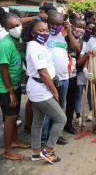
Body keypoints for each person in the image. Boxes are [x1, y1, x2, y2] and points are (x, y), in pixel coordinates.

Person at [24, 19, 66, 164]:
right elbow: (43, 73)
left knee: (37, 122)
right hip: (41, 90)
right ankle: (48, 151)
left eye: (46, 30)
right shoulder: (36, 47)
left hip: (38, 88)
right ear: (32, 32)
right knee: (61, 119)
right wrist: (54, 91)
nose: (45, 33)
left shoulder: (37, 45)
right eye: (40, 30)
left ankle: (36, 153)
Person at [0, 13, 30, 160]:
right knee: (10, 116)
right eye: (11, 27)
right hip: (4, 86)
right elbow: (2, 69)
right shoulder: (5, 44)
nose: (16, 28)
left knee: (14, 116)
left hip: (14, 84)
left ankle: (14, 141)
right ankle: (7, 150)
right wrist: (10, 92)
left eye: (17, 25)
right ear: (5, 29)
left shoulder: (19, 39)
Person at [41, 10, 80, 145]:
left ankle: (54, 136)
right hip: (48, 80)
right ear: (47, 22)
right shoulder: (43, 34)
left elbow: (77, 49)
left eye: (58, 24)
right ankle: (43, 139)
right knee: (47, 111)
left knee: (59, 109)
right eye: (52, 23)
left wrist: (69, 32)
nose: (54, 26)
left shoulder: (64, 35)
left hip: (64, 79)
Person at [64, 18, 86, 134]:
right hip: (61, 74)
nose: (81, 29)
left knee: (71, 100)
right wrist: (68, 33)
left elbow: (77, 49)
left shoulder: (83, 42)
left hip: (73, 74)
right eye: (79, 26)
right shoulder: (64, 37)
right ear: (72, 26)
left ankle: (68, 124)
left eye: (83, 27)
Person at [76, 21, 96, 125]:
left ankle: (91, 112)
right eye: (87, 29)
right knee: (78, 94)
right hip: (81, 73)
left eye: (92, 30)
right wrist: (84, 69)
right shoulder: (83, 43)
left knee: (90, 94)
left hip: (92, 72)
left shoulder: (95, 41)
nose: (89, 31)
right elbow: (80, 61)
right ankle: (79, 116)